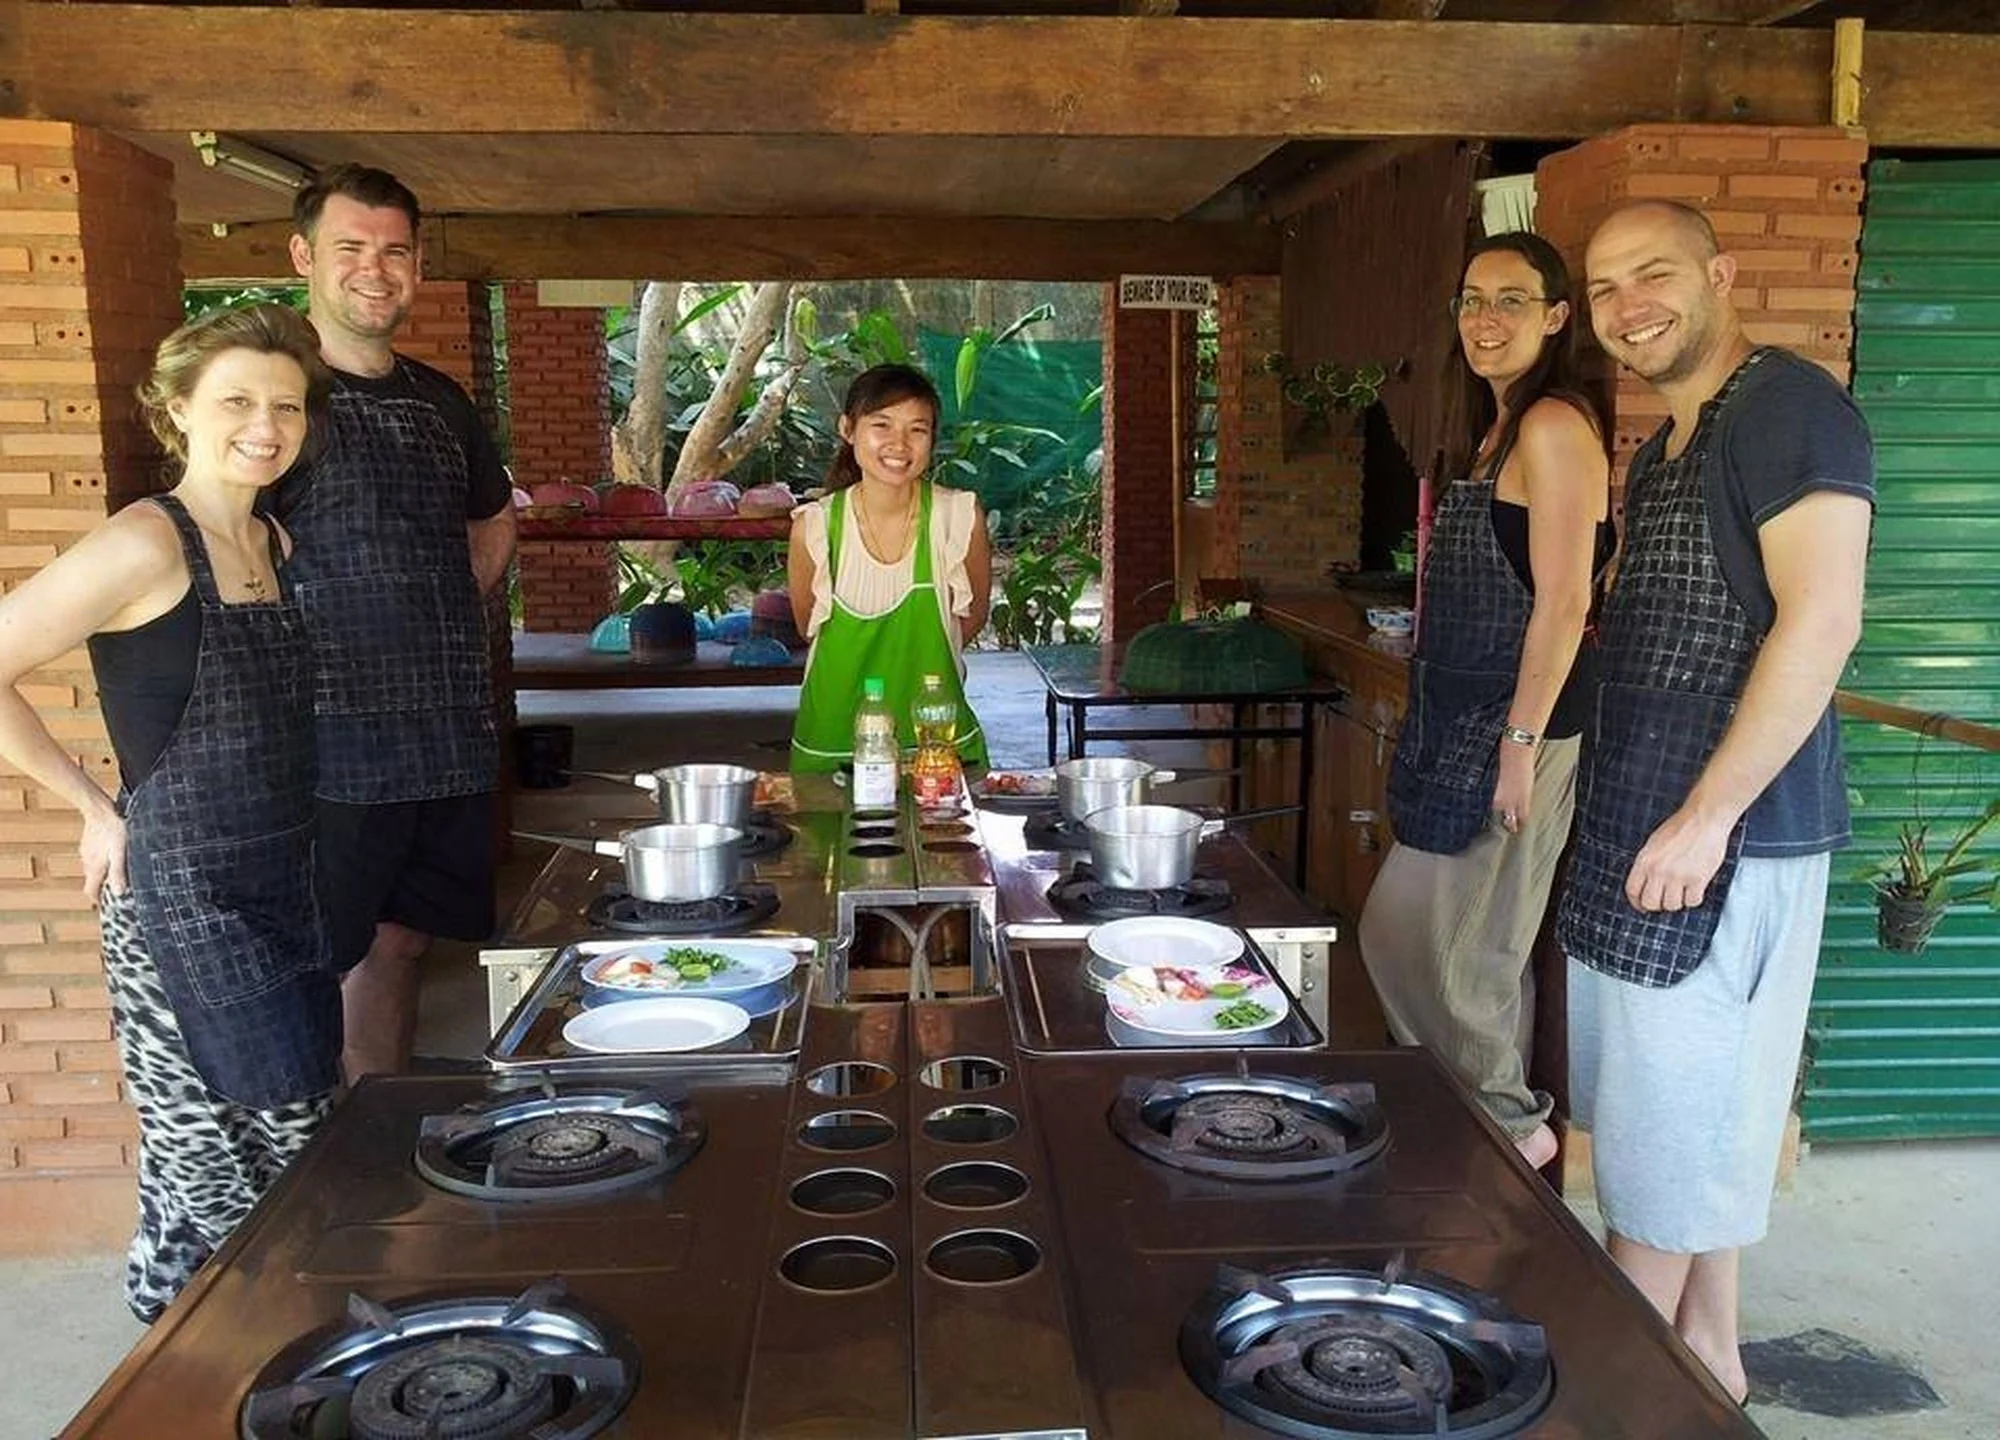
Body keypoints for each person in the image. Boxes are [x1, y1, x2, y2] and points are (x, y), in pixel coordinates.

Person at [1560, 200, 1873, 1401]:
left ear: (1720, 273)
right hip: (1646, 826)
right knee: (1683, 1123)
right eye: (1603, 287)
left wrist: (1705, 818)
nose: (1626, 305)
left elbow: (1821, 619)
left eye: (1653, 273)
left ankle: (1608, 1402)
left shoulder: (1787, 408)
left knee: (1661, 1153)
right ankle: (1707, 1361)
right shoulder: (1667, 444)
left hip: (1722, 845)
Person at [0, 305, 340, 1321]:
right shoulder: (144, 544)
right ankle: (247, 1345)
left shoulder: (275, 539)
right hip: (177, 898)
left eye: (286, 406)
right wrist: (92, 808)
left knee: (252, 1126)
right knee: (233, 1144)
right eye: (236, 401)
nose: (265, 426)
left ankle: (177, 1330)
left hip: (282, 879)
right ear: (179, 408)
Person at [1358, 232, 1612, 1172]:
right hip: (1464, 719)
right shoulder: (1500, 427)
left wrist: (1520, 743)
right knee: (1450, 943)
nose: (1485, 319)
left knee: (1452, 949)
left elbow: (1568, 600)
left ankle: (1509, 1134)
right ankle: (1483, 1125)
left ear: (1556, 317)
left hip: (1519, 728)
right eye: (1472, 299)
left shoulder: (1553, 426)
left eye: (1511, 300)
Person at [277, 164, 516, 1081]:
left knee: (404, 940)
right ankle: (317, 1142)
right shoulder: (275, 398)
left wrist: (440, 607)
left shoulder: (440, 399)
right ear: (304, 256)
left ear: (416, 265)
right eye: (350, 248)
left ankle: (377, 1121)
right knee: (320, 953)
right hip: (323, 740)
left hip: (441, 733)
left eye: (394, 251)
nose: (374, 270)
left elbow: (493, 517)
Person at [788, 364, 991, 772]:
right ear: (848, 429)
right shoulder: (815, 528)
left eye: (917, 429)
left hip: (936, 747)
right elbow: (808, 625)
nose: (899, 444)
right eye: (881, 425)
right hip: (834, 746)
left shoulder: (958, 518)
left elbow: (970, 620)